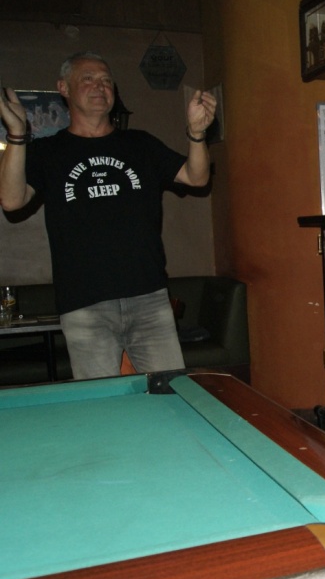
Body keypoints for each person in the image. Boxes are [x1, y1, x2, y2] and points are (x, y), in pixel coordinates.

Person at [0, 51, 216, 379]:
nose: (99, 86)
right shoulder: (47, 152)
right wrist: (17, 135)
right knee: (103, 400)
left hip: (149, 297)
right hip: (84, 305)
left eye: (106, 81)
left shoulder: (140, 143)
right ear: (63, 87)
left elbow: (196, 177)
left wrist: (197, 133)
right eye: (88, 79)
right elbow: (11, 201)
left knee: (170, 392)